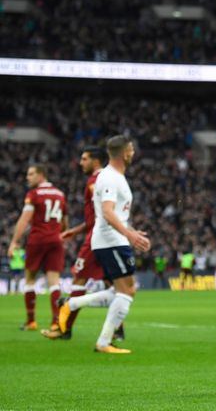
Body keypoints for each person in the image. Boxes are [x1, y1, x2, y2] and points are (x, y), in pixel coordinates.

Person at [59, 135, 151, 353]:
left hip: (113, 239)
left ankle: (71, 305)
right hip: (110, 240)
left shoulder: (116, 176)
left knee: (124, 291)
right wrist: (128, 234)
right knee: (127, 291)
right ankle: (103, 341)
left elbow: (112, 212)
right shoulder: (109, 177)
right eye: (131, 150)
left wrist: (129, 230)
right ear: (124, 153)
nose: (133, 153)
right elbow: (108, 212)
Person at [41, 146, 125, 340]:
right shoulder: (108, 178)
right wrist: (75, 230)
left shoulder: (96, 181)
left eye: (84, 159)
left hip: (97, 238)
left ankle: (65, 329)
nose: (81, 163)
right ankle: (118, 330)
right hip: (109, 237)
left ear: (96, 161)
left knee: (79, 280)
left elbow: (102, 213)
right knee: (114, 284)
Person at [7, 164, 68, 331]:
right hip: (56, 240)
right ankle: (56, 322)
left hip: (37, 240)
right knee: (54, 282)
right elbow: (65, 223)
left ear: (41, 175)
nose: (28, 177)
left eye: (31, 174)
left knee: (30, 280)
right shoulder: (60, 195)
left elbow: (25, 219)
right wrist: (57, 233)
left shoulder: (33, 194)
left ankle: (31, 321)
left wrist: (14, 241)